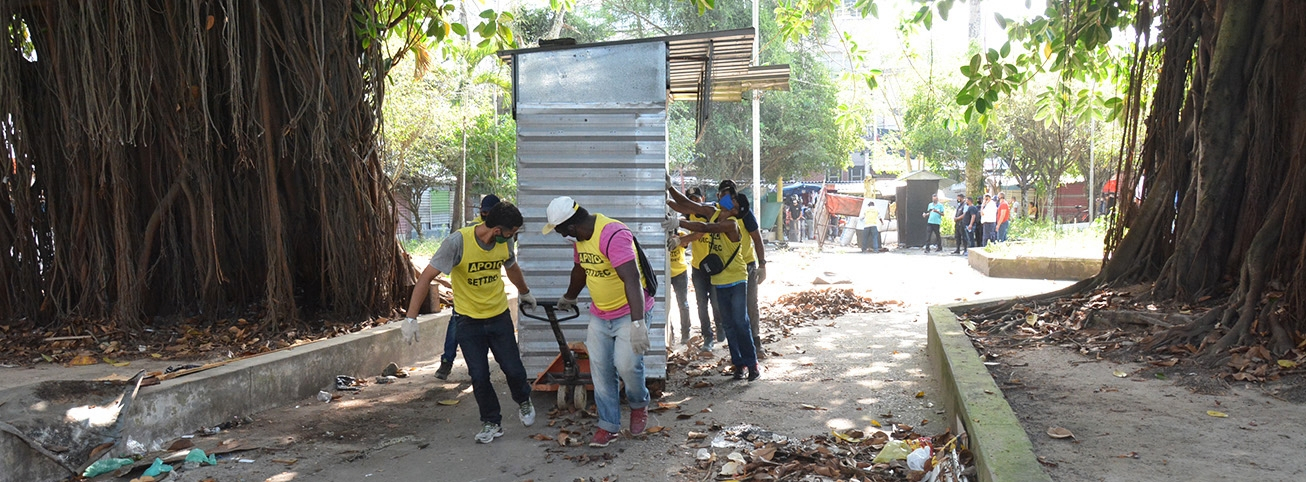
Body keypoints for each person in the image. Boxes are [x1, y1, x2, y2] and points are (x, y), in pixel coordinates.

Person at [402, 201, 537, 444]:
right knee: (479, 375)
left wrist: (525, 292)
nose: (512, 238)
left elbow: (511, 266)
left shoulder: (503, 243)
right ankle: (491, 422)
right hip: (468, 321)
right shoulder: (457, 243)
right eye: (511, 233)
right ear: (497, 230)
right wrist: (411, 318)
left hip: (498, 316)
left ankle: (523, 400)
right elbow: (426, 278)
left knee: (513, 368)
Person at [543, 196, 654, 448]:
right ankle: (608, 426)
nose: (562, 236)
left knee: (626, 365)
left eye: (561, 231)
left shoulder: (612, 234)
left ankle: (639, 405)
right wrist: (569, 297)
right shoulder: (580, 240)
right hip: (601, 314)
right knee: (601, 370)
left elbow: (632, 279)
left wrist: (638, 323)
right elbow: (581, 270)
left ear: (571, 226)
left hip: (629, 311)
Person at [676, 192, 758, 382]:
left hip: (737, 277)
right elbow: (688, 205)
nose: (730, 201)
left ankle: (752, 363)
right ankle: (739, 365)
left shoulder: (731, 224)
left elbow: (705, 227)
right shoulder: (713, 211)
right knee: (728, 324)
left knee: (740, 322)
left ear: (735, 211)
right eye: (732, 200)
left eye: (734, 203)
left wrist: (679, 223)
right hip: (718, 279)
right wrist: (668, 188)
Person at [433, 194, 504, 380]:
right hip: (466, 296)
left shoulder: (502, 231)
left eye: (490, 212)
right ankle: (447, 361)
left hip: (488, 297)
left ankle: (479, 369)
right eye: (484, 212)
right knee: (456, 325)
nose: (486, 215)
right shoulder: (472, 230)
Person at [666, 229, 692, 346]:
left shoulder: (682, 235)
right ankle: (669, 334)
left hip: (680, 273)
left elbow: (685, 243)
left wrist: (677, 238)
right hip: (666, 273)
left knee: (683, 303)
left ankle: (686, 333)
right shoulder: (662, 235)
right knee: (666, 305)